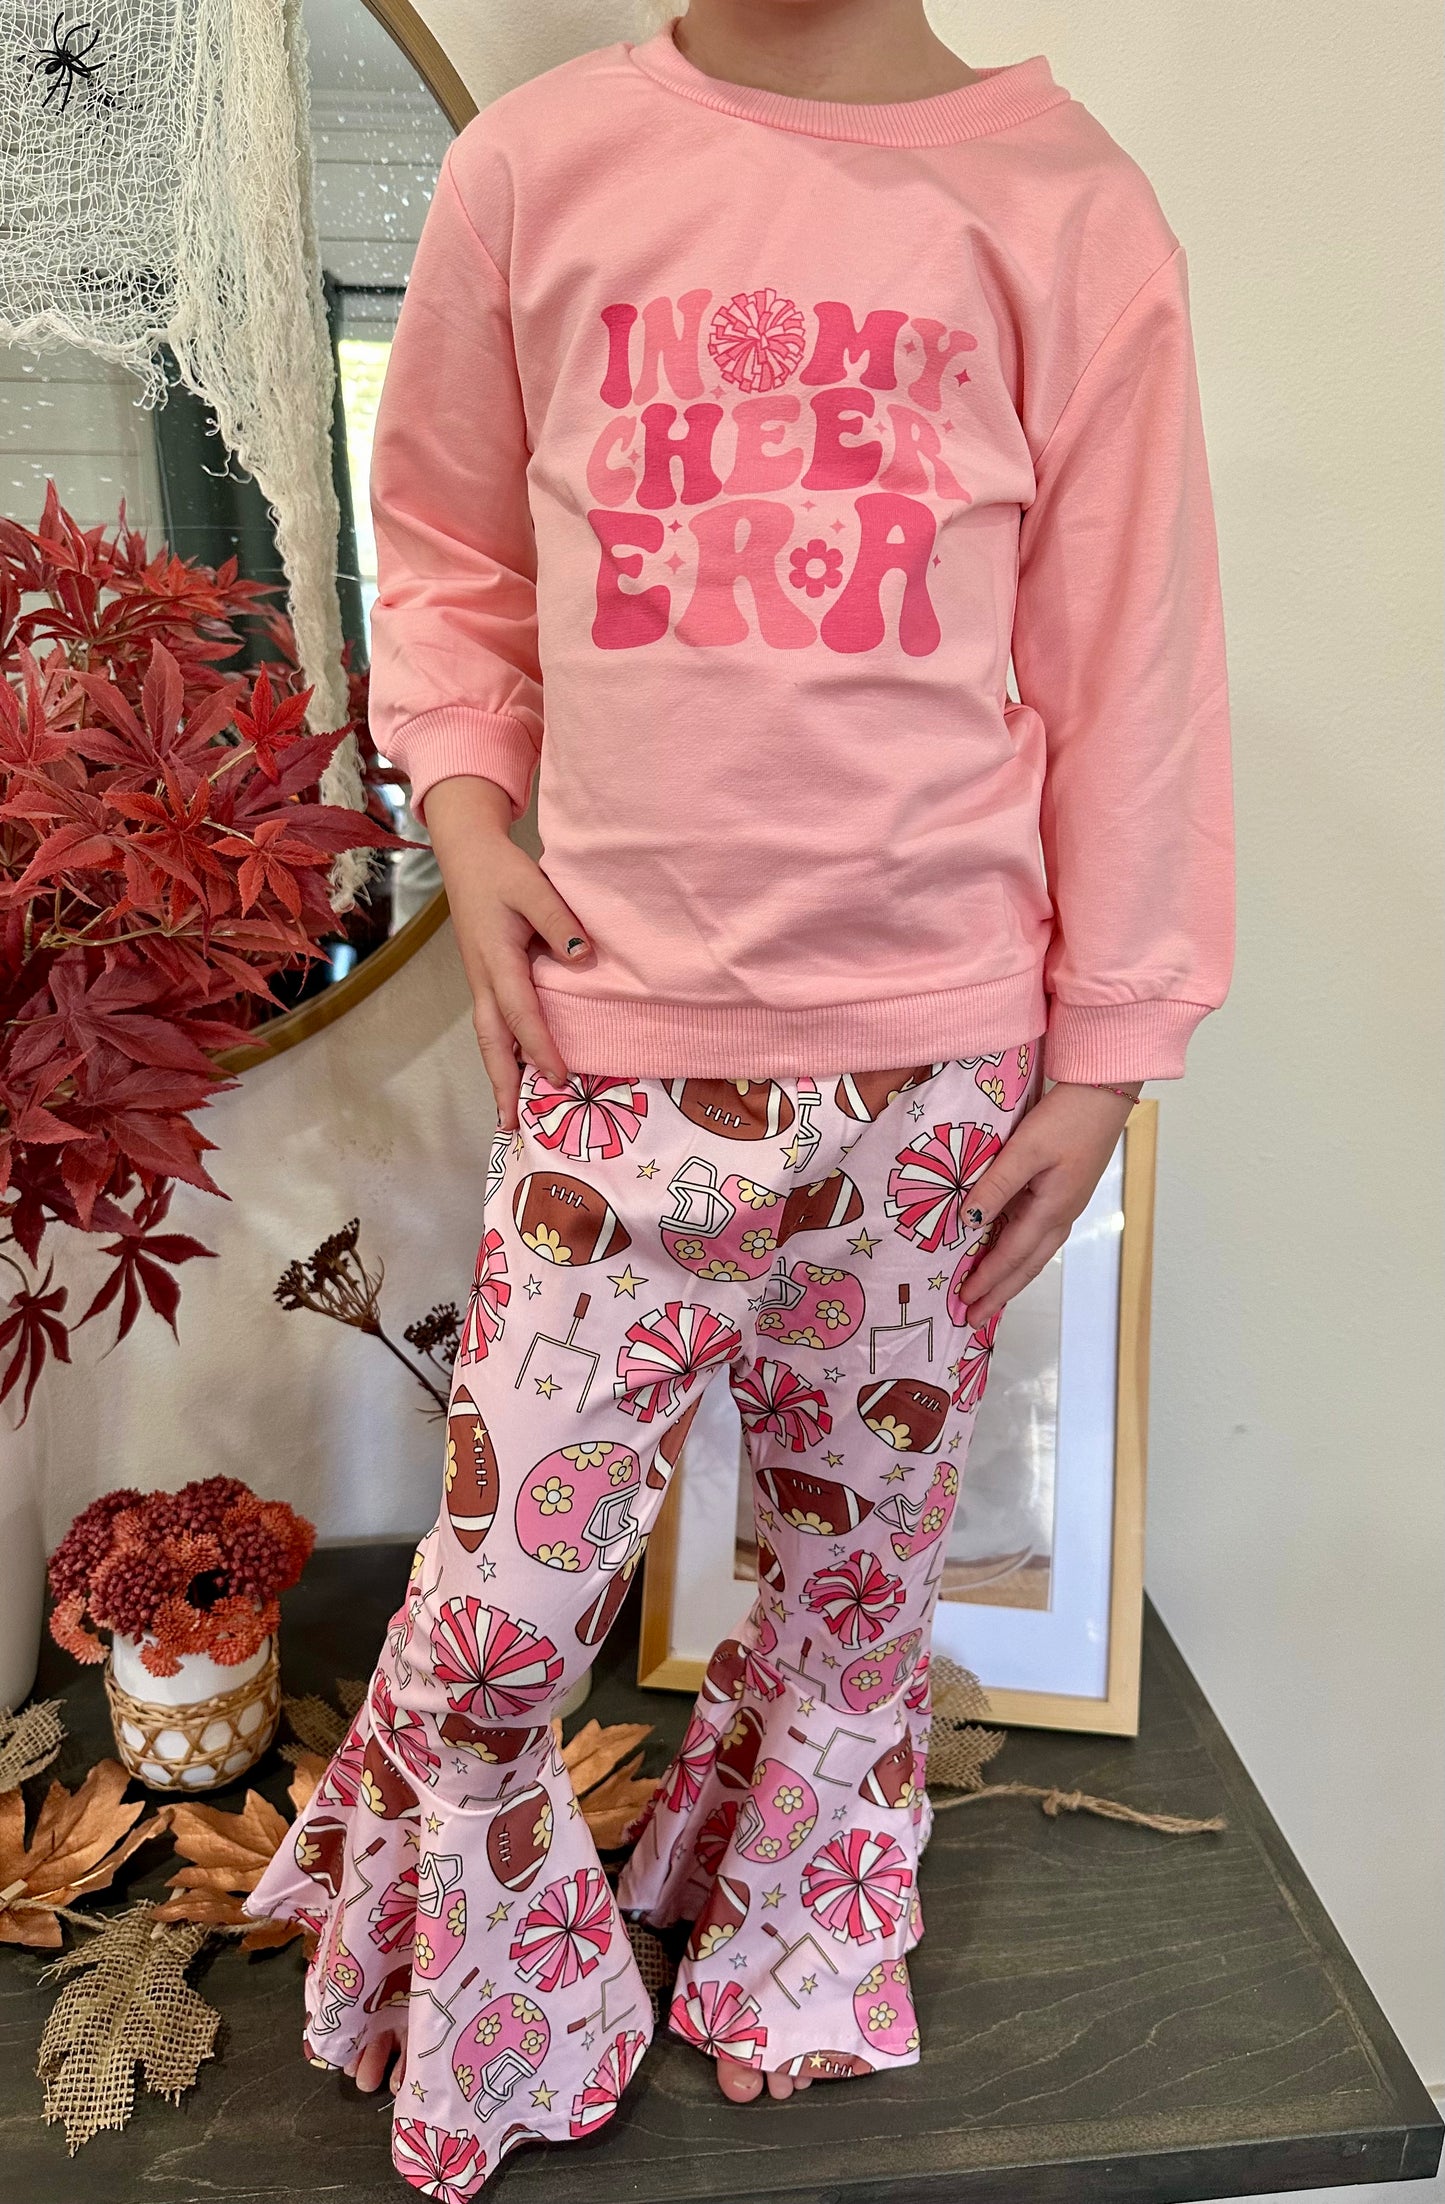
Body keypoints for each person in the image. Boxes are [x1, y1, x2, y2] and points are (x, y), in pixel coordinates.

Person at [245, 1, 1233, 2191]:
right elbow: (452, 546)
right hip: (624, 1069)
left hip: (940, 1076)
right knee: (500, 1621)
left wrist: (1110, 1051)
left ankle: (793, 1932)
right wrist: (469, 818)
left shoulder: (1064, 208)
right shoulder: (537, 169)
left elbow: (1131, 655)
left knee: (858, 1578)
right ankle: (497, 1998)